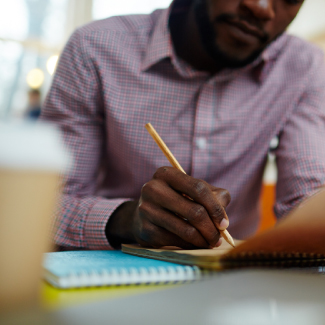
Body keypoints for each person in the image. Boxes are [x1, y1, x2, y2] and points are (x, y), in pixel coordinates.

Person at [41, 0, 325, 251]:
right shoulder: (95, 49)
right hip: (106, 273)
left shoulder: (306, 69)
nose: (261, 7)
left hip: (232, 283)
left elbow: (308, 200)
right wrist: (125, 219)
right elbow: (42, 208)